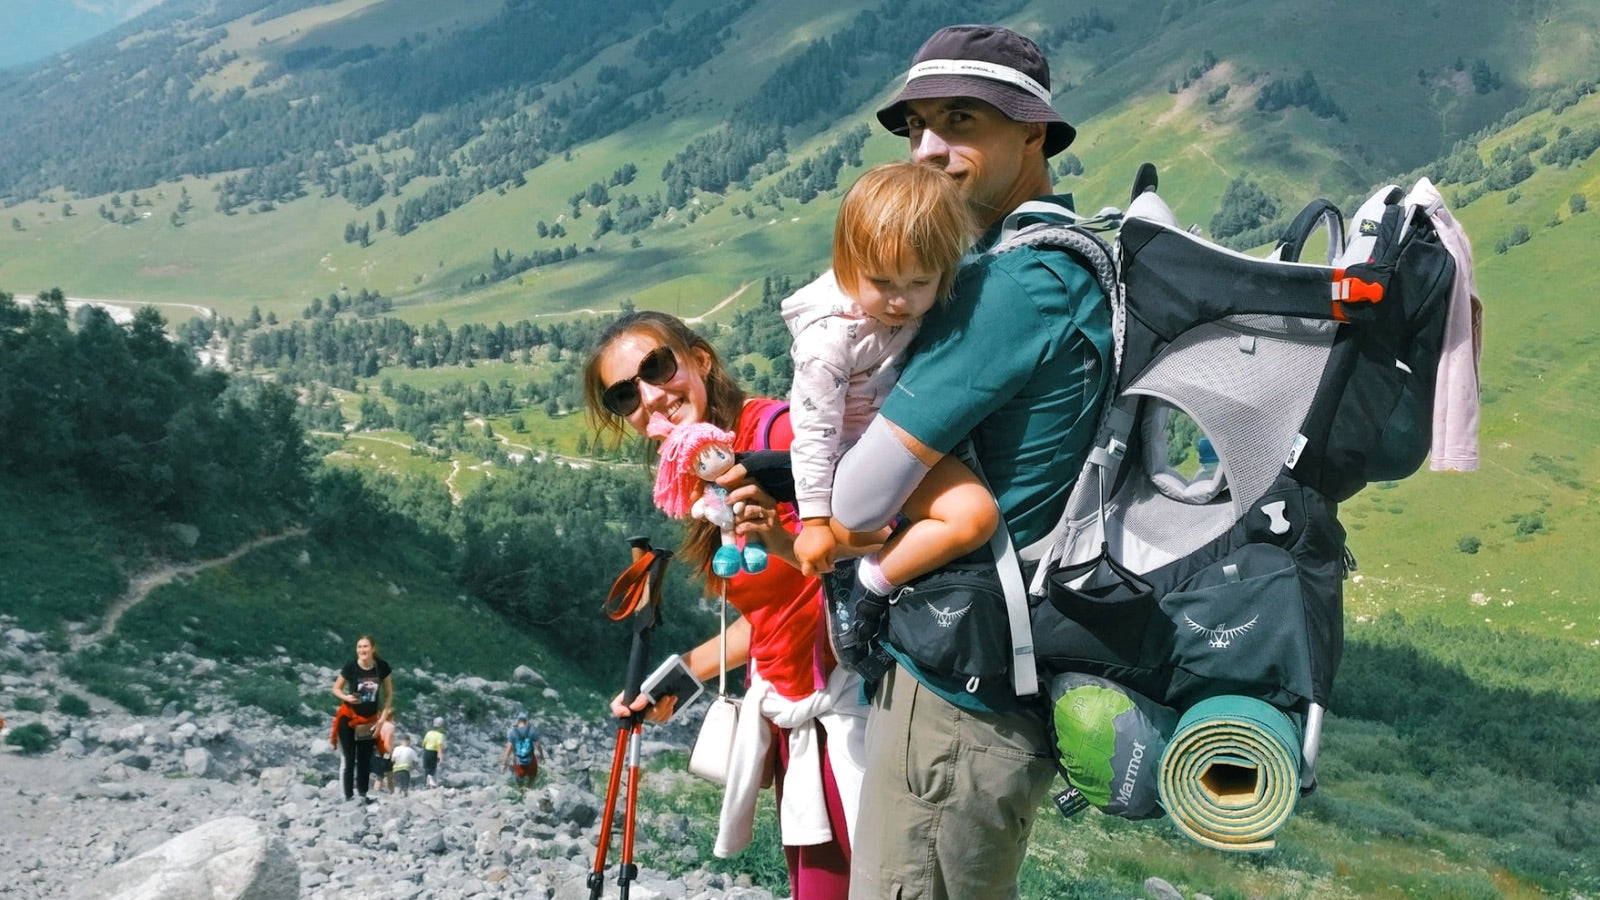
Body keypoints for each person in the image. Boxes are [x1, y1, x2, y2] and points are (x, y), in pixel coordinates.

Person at [826, 24, 1115, 900]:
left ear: (1035, 135)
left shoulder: (1011, 287)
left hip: (957, 699)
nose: (930, 150)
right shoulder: (1063, 258)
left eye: (962, 121)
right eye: (917, 125)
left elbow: (861, 491)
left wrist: (826, 522)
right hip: (988, 679)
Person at [584, 310, 865, 900]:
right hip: (795, 715)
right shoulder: (704, 476)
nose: (650, 396)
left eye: (657, 368)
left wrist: (781, 540)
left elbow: (877, 545)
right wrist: (674, 681)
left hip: (853, 710)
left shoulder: (779, 436)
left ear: (701, 360)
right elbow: (770, 617)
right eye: (623, 395)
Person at [783, 161, 998, 594]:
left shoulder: (904, 288)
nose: (900, 301)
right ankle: (869, 586)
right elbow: (813, 429)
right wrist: (815, 520)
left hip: (901, 438)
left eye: (920, 282)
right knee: (974, 516)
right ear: (846, 266)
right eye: (881, 282)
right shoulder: (826, 343)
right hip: (857, 455)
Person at [330, 635, 394, 804]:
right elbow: (336, 688)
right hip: (349, 718)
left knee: (365, 759)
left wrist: (382, 720)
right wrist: (346, 697)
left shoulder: (381, 667)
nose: (362, 650)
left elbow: (388, 695)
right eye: (359, 647)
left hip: (370, 720)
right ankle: (347, 796)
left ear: (373, 648)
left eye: (365, 647)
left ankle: (362, 795)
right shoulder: (351, 667)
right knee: (349, 758)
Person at [500, 712, 543, 791]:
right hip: (531, 761)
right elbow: (538, 746)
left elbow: (508, 750)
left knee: (519, 779)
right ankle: (530, 790)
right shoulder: (532, 731)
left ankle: (521, 791)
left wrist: (504, 764)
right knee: (532, 777)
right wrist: (542, 757)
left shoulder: (513, 733)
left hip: (518, 762)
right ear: (526, 721)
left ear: (518, 721)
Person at [421, 717, 446, 788]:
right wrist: (441, 757)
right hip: (433, 753)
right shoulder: (440, 735)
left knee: (426, 768)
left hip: (426, 751)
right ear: (441, 726)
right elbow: (439, 747)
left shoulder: (428, 733)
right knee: (432, 768)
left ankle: (427, 784)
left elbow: (423, 744)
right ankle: (431, 782)